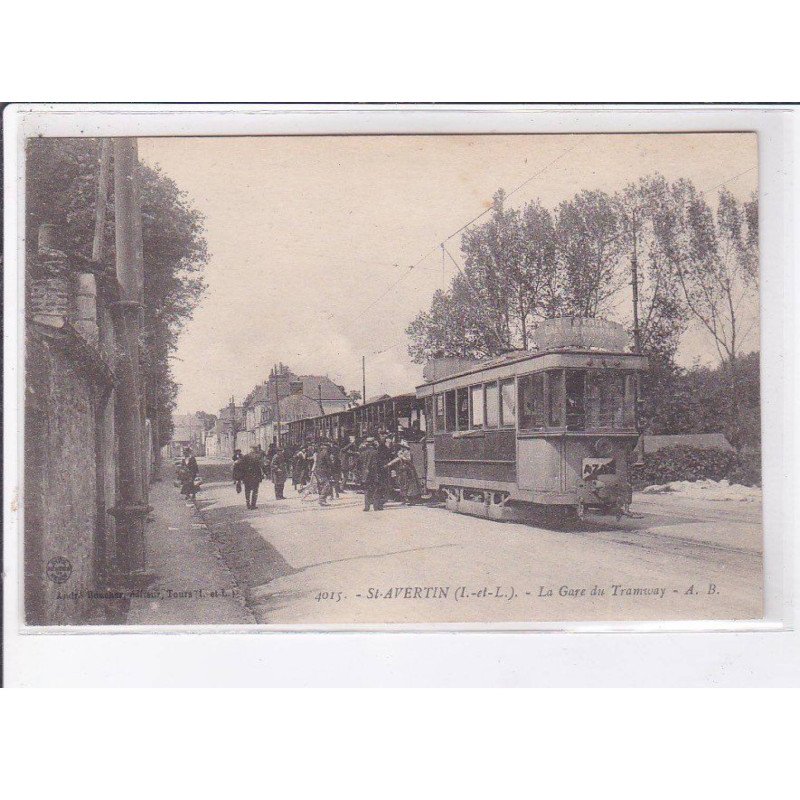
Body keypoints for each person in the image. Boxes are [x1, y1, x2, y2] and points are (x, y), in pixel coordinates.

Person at [386, 440, 422, 504]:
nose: (401, 447)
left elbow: (408, 460)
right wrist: (389, 464)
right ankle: (405, 498)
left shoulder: (407, 452)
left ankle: (412, 499)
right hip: (403, 470)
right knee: (403, 484)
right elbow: (397, 459)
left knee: (410, 484)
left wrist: (401, 456)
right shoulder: (401, 452)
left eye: (402, 446)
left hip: (409, 470)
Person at [360, 437, 385, 512]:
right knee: (376, 490)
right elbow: (379, 464)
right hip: (375, 474)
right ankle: (376, 507)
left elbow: (360, 464)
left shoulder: (363, 453)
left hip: (366, 474)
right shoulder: (376, 453)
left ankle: (366, 507)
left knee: (367, 490)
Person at [237, 444, 265, 509]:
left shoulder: (245, 456)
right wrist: (264, 473)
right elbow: (262, 466)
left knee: (247, 490)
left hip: (247, 476)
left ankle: (248, 504)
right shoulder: (258, 457)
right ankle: (253, 504)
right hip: (255, 476)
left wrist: (240, 477)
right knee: (255, 490)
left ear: (251, 449)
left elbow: (241, 466)